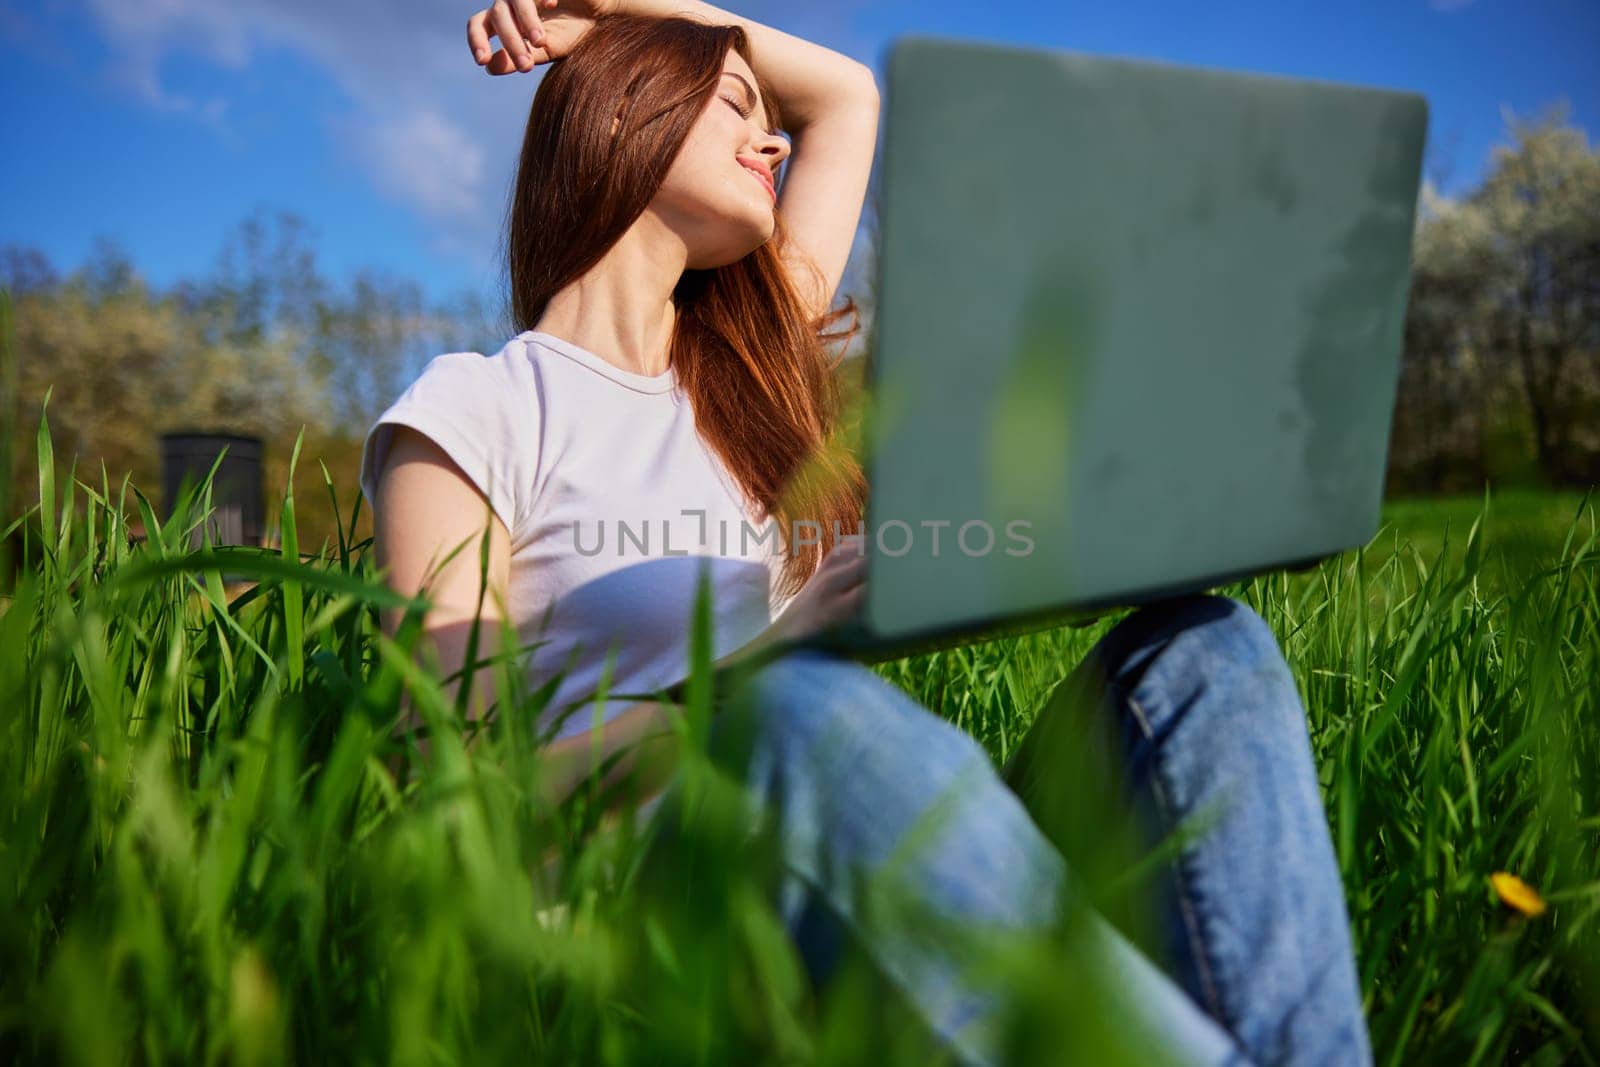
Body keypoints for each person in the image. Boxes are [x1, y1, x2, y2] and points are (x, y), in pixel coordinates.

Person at [360, 3, 1372, 1064]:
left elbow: (844, 96)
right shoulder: (476, 406)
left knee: (1203, 651)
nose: (775, 138)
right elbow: (452, 776)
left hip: (860, 845)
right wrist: (756, 666)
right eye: (737, 107)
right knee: (802, 710)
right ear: (625, 114)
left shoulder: (742, 375)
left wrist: (624, 5)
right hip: (664, 904)